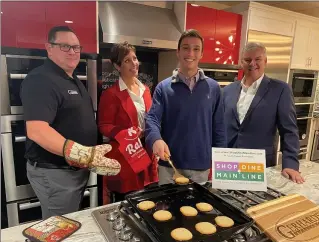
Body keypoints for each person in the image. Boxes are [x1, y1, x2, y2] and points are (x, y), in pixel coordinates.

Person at [20, 26, 121, 219]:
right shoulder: (41, 80)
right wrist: (82, 153)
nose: (73, 52)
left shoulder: (71, 78)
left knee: (69, 223)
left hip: (73, 171)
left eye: (76, 47)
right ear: (49, 48)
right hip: (55, 173)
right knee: (59, 228)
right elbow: (37, 131)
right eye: (65, 46)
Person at [145, 29, 226, 185]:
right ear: (178, 51)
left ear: (201, 54)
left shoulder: (214, 88)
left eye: (196, 49)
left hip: (201, 168)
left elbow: (219, 129)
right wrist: (155, 139)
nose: (191, 53)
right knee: (167, 208)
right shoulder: (163, 87)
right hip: (169, 165)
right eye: (186, 48)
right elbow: (152, 119)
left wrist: (220, 164)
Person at [223, 42, 305, 184]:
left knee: (255, 205)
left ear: (265, 61)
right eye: (248, 60)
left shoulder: (280, 90)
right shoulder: (228, 90)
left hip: (259, 166)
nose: (252, 63)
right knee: (225, 202)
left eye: (257, 59)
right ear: (242, 63)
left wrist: (291, 164)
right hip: (228, 162)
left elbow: (289, 131)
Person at [98, 42, 158, 202]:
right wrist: (125, 133)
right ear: (117, 66)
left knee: (147, 203)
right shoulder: (110, 94)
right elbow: (103, 125)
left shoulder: (146, 90)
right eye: (127, 60)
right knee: (127, 203)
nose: (134, 63)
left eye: (135, 58)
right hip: (125, 158)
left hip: (146, 153)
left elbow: (151, 119)